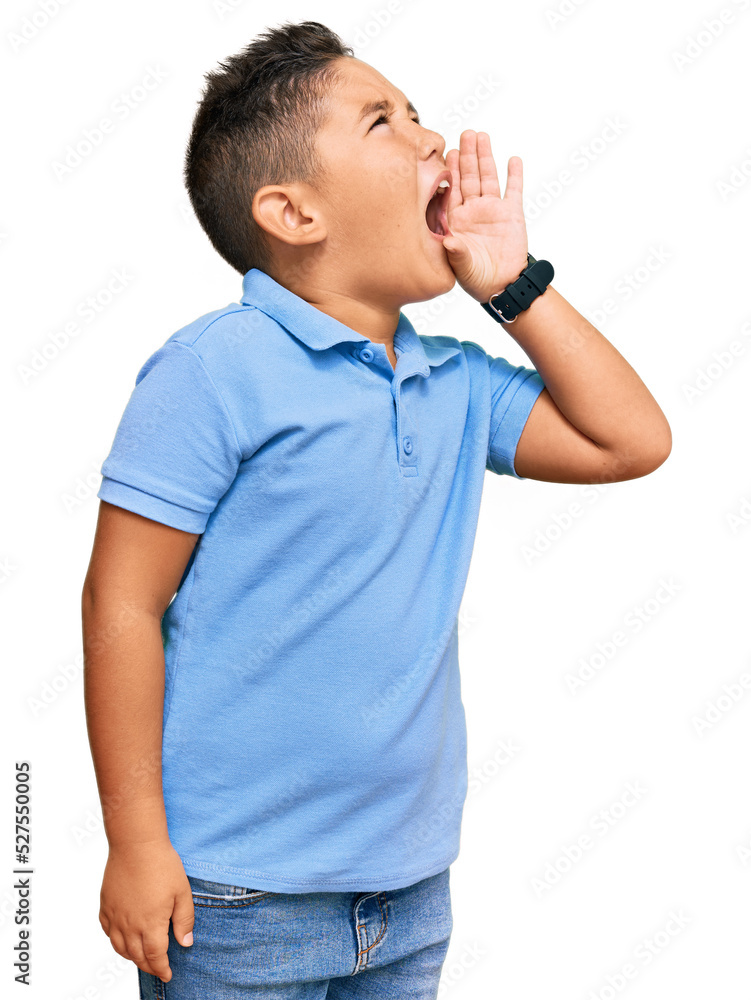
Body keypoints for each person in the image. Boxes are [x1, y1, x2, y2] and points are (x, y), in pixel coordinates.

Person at [81, 20, 671, 999]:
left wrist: (511, 287)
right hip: (234, 898)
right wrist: (135, 843)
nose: (433, 139)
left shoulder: (456, 381)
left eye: (418, 112)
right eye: (382, 122)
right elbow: (120, 605)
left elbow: (631, 440)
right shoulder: (214, 372)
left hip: (405, 887)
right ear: (293, 212)